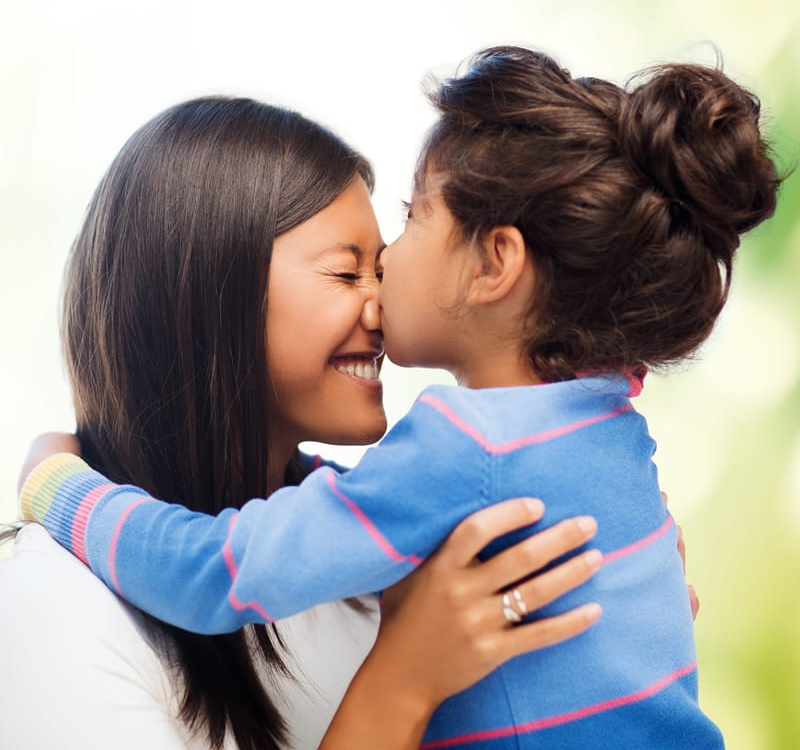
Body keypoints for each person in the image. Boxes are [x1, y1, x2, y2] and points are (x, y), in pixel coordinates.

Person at [20, 46, 777, 747]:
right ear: (204, 293)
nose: (380, 293)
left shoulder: (461, 448)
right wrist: (406, 673)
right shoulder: (608, 420)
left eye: (410, 224)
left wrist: (57, 485)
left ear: (496, 265)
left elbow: (213, 572)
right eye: (348, 271)